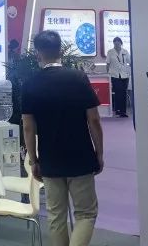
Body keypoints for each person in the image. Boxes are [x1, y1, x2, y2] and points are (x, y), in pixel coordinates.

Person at [22, 30, 104, 246]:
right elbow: (94, 120)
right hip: (81, 156)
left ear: (38, 53)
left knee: (56, 215)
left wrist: (33, 161)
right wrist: (99, 153)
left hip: (50, 158)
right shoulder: (78, 78)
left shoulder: (30, 84)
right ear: (60, 51)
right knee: (86, 213)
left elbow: (28, 127)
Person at [106, 37, 131, 117]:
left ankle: (123, 112)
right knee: (118, 92)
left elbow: (130, 62)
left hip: (125, 75)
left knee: (124, 93)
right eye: (115, 43)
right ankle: (118, 110)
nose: (117, 45)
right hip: (114, 75)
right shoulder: (110, 52)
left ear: (121, 43)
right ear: (113, 44)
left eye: (118, 43)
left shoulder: (125, 51)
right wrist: (108, 74)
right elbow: (108, 64)